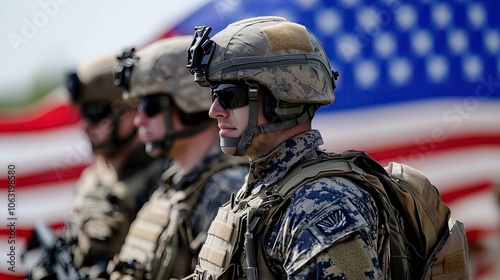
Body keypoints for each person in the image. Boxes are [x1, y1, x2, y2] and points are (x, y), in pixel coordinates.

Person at [186, 16, 382, 279]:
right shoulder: (258, 193)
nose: (215, 111)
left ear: (282, 100)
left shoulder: (320, 205)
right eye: (214, 95)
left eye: (229, 95)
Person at [107, 36, 249, 280]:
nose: (138, 120)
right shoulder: (172, 185)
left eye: (149, 107)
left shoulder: (225, 191)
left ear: (190, 102)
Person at [29, 53, 165, 280]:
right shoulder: (92, 178)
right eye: (83, 114)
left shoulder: (165, 178)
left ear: (130, 111)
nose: (85, 126)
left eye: (95, 114)